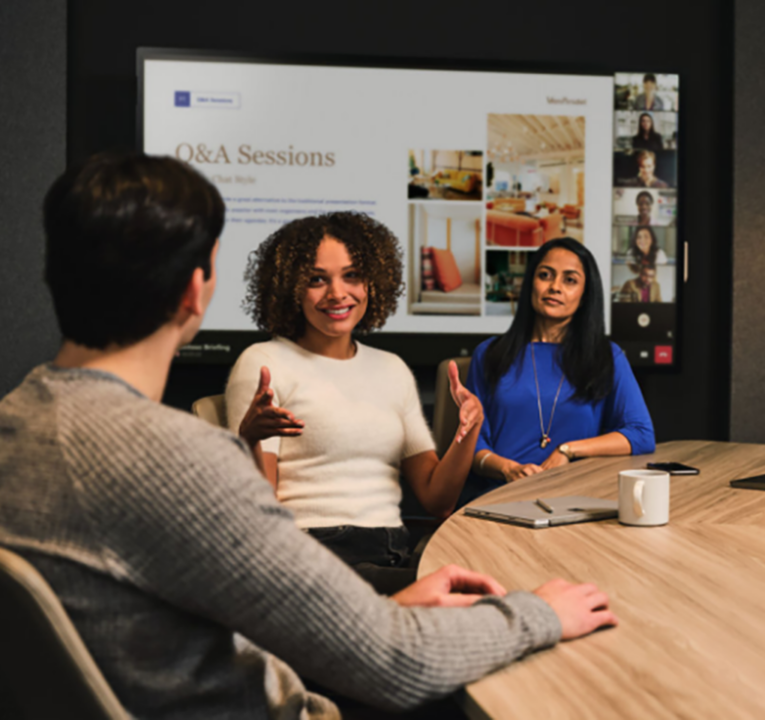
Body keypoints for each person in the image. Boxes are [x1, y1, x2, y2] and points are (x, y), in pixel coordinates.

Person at [0, 153, 618, 720]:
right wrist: (539, 613)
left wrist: (384, 612)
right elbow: (393, 664)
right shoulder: (184, 462)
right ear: (197, 288)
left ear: (54, 276)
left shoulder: (15, 424)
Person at [226, 212, 482, 594]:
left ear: (373, 283)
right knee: (477, 594)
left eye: (352, 275)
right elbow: (260, 520)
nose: (337, 293)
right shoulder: (264, 363)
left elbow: (436, 500)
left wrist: (470, 428)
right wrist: (248, 441)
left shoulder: (391, 369)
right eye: (316, 279)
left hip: (391, 552)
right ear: (288, 289)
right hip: (311, 557)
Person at [461, 237, 655, 502]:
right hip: (498, 497)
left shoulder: (607, 357)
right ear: (531, 283)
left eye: (570, 280)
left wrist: (568, 450)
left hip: (574, 500)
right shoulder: (489, 354)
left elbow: (641, 435)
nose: (555, 287)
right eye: (545, 275)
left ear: (585, 294)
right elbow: (472, 446)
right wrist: (508, 468)